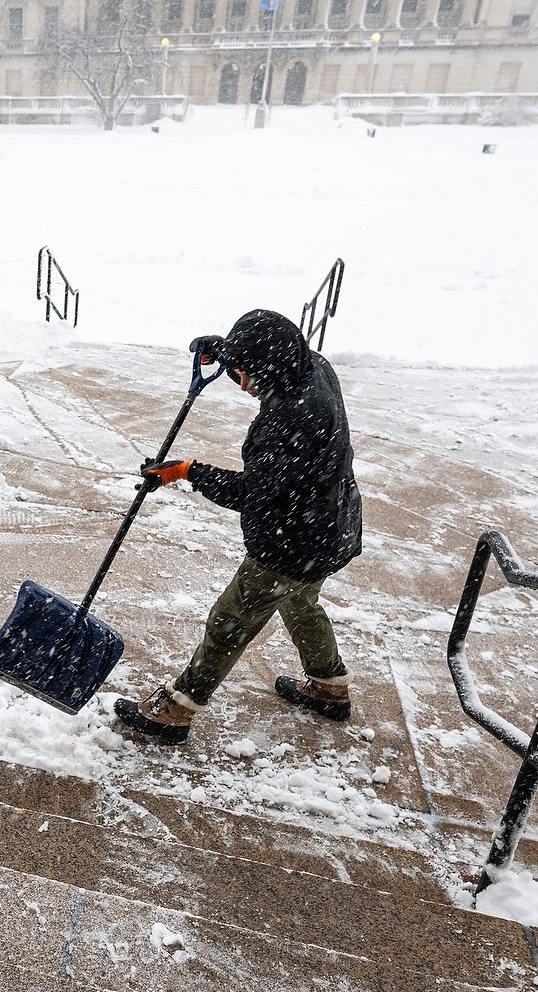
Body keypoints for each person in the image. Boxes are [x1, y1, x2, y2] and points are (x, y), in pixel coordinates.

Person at [116, 309, 363, 745]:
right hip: (330, 527)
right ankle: (329, 687)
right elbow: (268, 368)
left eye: (249, 376)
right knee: (301, 602)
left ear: (271, 368)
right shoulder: (311, 367)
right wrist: (228, 354)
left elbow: (254, 494)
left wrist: (189, 472)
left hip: (292, 541)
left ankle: (176, 710)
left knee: (230, 620)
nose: (245, 386)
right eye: (239, 373)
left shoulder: (289, 419)